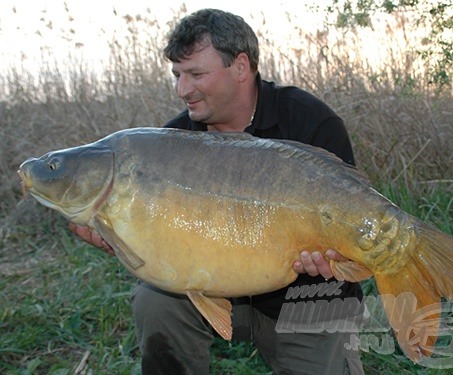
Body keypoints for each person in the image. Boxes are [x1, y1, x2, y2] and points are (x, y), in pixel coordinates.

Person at [70, 8, 365, 375]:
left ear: (240, 67)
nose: (182, 90)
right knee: (155, 300)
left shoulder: (310, 122)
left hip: (306, 301)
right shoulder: (172, 144)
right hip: (215, 294)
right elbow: (165, 247)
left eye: (196, 74)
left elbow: (352, 220)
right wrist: (121, 238)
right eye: (177, 75)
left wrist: (331, 259)